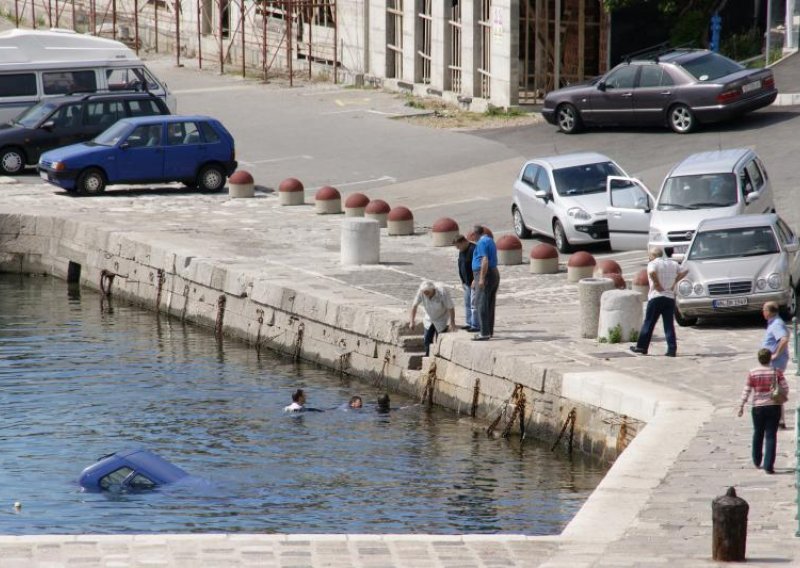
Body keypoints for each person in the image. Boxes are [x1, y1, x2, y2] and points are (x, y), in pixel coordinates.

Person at [738, 348, 789, 474]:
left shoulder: (753, 373)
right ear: (770, 358)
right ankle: (768, 465)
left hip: (758, 407)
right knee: (771, 435)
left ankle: (756, 459)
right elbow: (785, 388)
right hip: (773, 406)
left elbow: (747, 389)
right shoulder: (776, 372)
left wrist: (741, 405)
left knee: (758, 433)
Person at [630, 246, 688, 356]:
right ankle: (671, 349)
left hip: (656, 296)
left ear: (653, 255)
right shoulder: (672, 263)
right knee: (669, 325)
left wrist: (657, 284)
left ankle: (642, 347)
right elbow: (685, 270)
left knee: (649, 322)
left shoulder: (653, 263)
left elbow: (652, 273)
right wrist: (675, 281)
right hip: (669, 298)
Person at [761, 301, 790, 428]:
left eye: (764, 310)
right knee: (774, 391)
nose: (762, 312)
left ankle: (778, 420)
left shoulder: (776, 324)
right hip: (774, 362)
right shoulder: (774, 323)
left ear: (769, 312)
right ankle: (779, 420)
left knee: (775, 391)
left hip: (775, 363)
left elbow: (784, 339)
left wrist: (776, 354)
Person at [410, 281, 456, 356]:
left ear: (433, 290)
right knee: (427, 339)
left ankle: (438, 356)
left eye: (427, 293)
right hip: (429, 317)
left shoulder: (442, 292)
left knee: (440, 339)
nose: (426, 294)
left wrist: (452, 322)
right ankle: (427, 356)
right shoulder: (421, 292)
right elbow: (414, 306)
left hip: (441, 318)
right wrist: (412, 321)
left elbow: (450, 307)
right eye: (424, 293)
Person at [471, 225, 499, 341]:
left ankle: (484, 333)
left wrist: (481, 278)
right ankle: (489, 331)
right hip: (493, 272)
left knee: (481, 303)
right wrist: (475, 279)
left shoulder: (482, 243)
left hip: (485, 274)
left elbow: (484, 259)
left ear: (476, 234)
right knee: (489, 303)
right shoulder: (490, 240)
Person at [453, 235, 478, 332]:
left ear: (463, 242)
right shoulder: (461, 251)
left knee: (474, 304)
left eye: (458, 246)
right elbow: (461, 265)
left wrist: (475, 279)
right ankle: (469, 322)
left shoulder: (474, 250)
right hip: (466, 282)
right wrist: (462, 280)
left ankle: (476, 325)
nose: (458, 249)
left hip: (473, 282)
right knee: (467, 303)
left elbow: (477, 266)